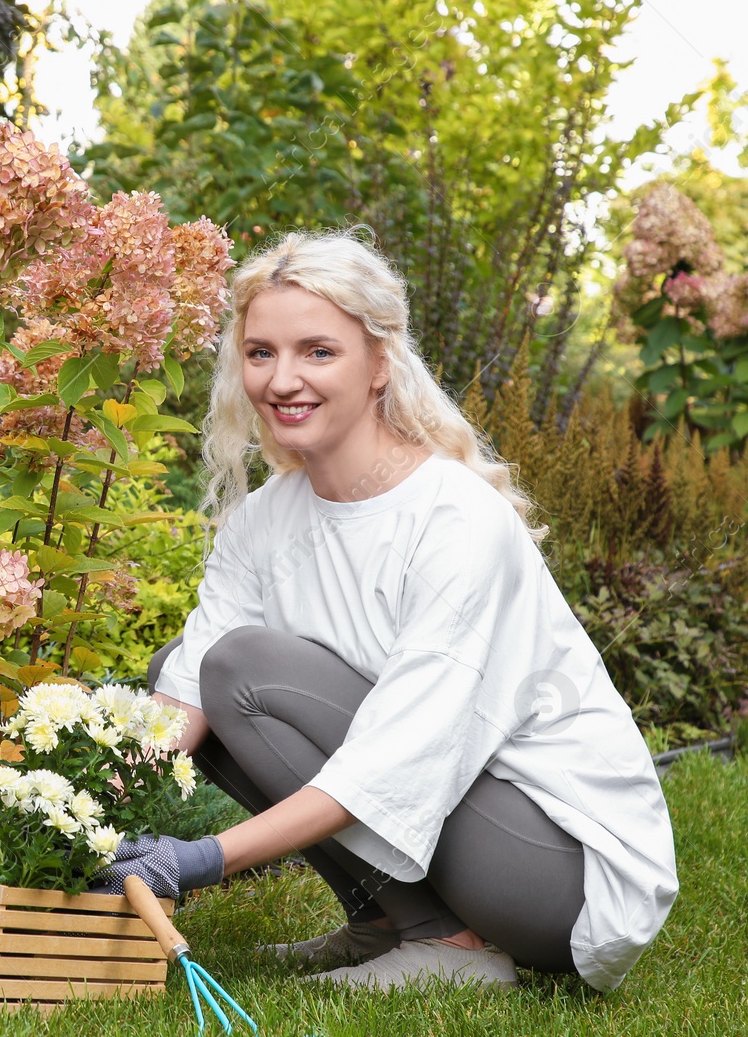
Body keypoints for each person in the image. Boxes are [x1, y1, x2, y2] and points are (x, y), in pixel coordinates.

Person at [97, 230, 678, 992]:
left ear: (379, 363)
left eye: (318, 351)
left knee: (242, 667)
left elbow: (396, 759)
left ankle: (453, 946)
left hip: (558, 871)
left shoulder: (454, 518)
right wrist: (78, 810)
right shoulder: (266, 520)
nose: (283, 378)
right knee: (188, 667)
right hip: (451, 817)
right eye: (261, 351)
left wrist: (197, 859)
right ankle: (384, 924)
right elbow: (184, 699)